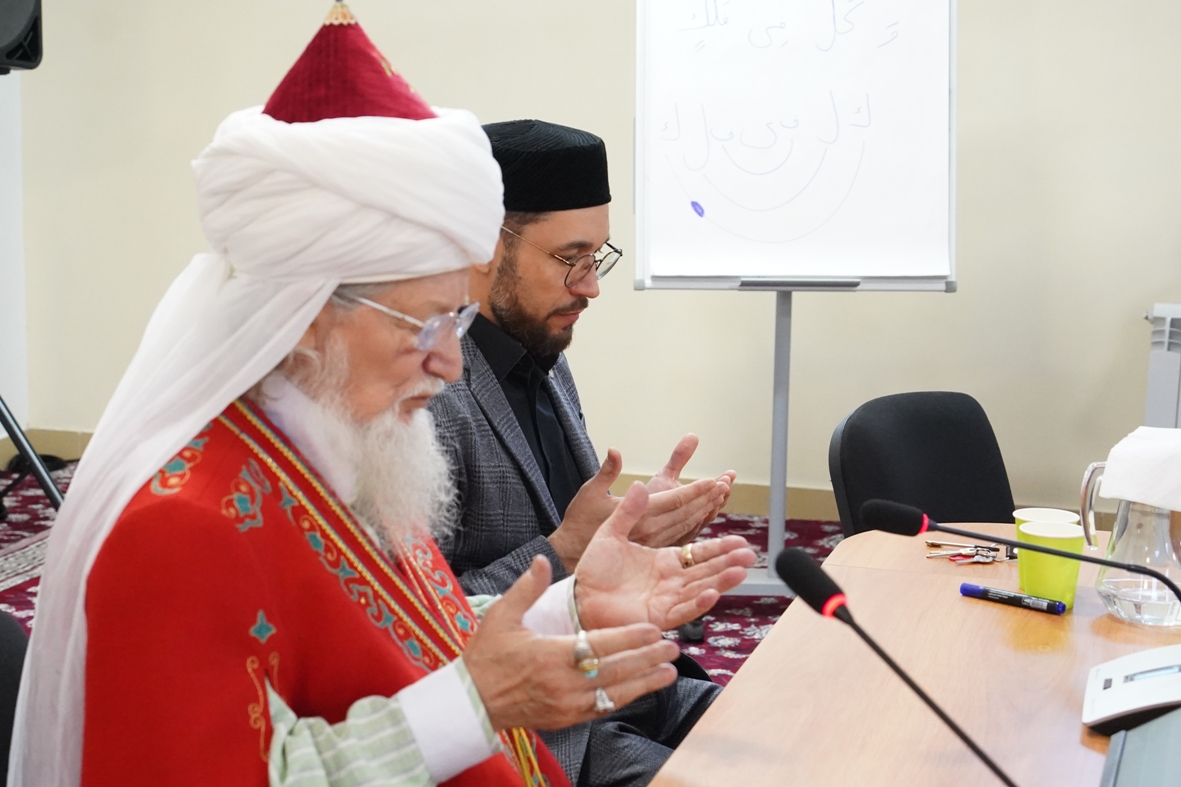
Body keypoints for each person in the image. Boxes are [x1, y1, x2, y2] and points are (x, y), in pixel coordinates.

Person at [8, 8, 755, 787]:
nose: (450, 363)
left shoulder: (349, 445)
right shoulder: (178, 528)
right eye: (423, 323)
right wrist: (474, 704)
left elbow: (404, 636)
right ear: (304, 317)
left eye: (457, 320)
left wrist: (570, 606)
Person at [428, 120, 739, 786]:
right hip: (548, 728)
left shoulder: (543, 352)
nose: (590, 286)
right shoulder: (423, 397)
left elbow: (586, 551)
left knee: (809, 731)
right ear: (483, 245)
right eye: (570, 258)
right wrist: (564, 549)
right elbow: (416, 620)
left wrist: (633, 535)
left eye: (598, 257)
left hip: (628, 679)